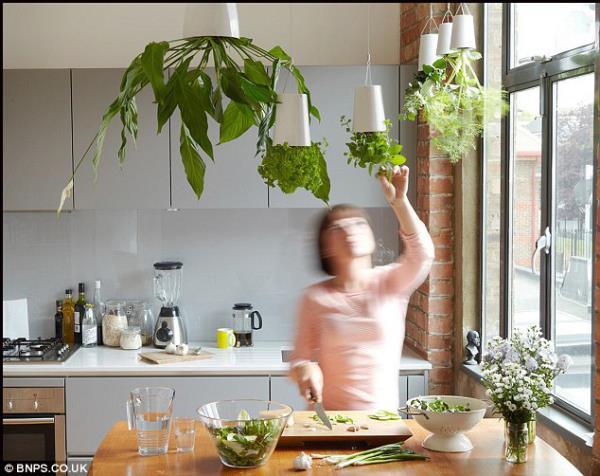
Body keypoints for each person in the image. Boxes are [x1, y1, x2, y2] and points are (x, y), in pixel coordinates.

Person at [289, 165, 435, 410]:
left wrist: (400, 202)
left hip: (382, 426)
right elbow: (299, 359)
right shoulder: (315, 298)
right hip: (329, 425)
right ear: (324, 246)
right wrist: (305, 369)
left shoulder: (390, 283)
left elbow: (423, 254)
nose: (349, 230)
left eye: (358, 223)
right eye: (337, 227)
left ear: (371, 237)